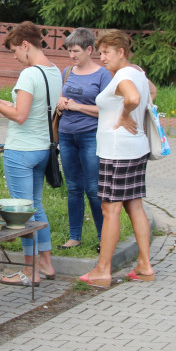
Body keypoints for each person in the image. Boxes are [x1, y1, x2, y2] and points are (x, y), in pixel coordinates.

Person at [0, 21, 60, 286]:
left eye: (14, 51)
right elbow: (36, 108)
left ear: (26, 45)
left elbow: (20, 116)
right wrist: (2, 103)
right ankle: (45, 263)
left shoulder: (29, 74)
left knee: (23, 213)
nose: (14, 57)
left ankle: (30, 271)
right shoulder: (55, 71)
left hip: (21, 151)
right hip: (42, 149)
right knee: (36, 206)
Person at [80, 29, 156, 287]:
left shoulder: (124, 75)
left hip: (117, 151)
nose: (102, 58)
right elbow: (151, 93)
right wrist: (131, 115)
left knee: (110, 209)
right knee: (134, 205)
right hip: (136, 148)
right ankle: (145, 265)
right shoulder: (138, 73)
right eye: (100, 53)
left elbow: (134, 98)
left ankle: (102, 270)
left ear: (121, 52)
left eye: (106, 52)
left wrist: (124, 116)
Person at [54, 28, 111, 251]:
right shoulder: (68, 72)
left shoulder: (102, 75)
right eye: (69, 51)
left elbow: (107, 109)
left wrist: (78, 106)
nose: (72, 55)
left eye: (76, 51)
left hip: (90, 136)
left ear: (89, 49)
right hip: (67, 136)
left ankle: (103, 238)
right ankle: (74, 236)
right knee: (74, 188)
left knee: (93, 189)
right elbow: (61, 95)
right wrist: (61, 102)